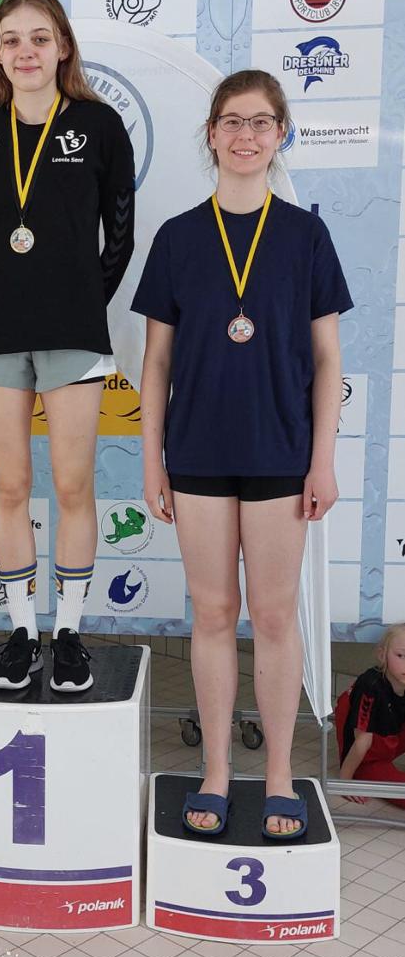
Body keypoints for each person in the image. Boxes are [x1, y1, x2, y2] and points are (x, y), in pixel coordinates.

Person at [133, 70, 353, 839]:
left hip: (278, 453)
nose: (245, 135)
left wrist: (321, 460)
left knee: (274, 615)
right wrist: (152, 461)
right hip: (196, 452)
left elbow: (326, 359)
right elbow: (155, 364)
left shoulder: (304, 236)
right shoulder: (177, 238)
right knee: (214, 613)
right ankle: (217, 771)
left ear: (280, 133)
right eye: (231, 121)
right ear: (211, 134)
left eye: (260, 122)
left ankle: (280, 776)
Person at [0, 0, 135, 692]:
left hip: (73, 333)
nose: (25, 51)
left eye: (38, 37)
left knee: (73, 483)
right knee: (9, 485)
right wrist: (4, 294)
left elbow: (120, 234)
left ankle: (69, 634)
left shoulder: (98, 124)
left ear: (62, 47)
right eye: (11, 39)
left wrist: (81, 301)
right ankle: (23, 631)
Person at [335, 626, 405, 804]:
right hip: (366, 752)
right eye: (401, 655)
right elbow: (361, 742)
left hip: (390, 736)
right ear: (382, 655)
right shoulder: (371, 686)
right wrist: (345, 781)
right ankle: (362, 771)